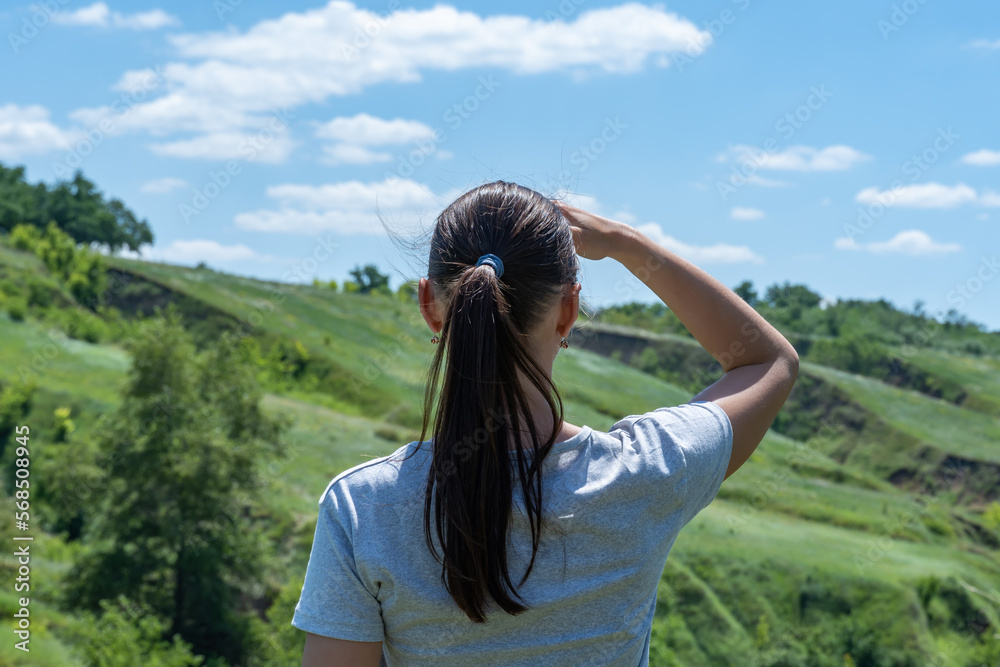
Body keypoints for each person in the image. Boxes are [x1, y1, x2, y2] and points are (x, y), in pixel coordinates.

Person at [292, 181, 799, 666]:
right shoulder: (647, 472)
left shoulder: (362, 508)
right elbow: (769, 362)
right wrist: (626, 243)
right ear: (569, 310)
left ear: (430, 306)